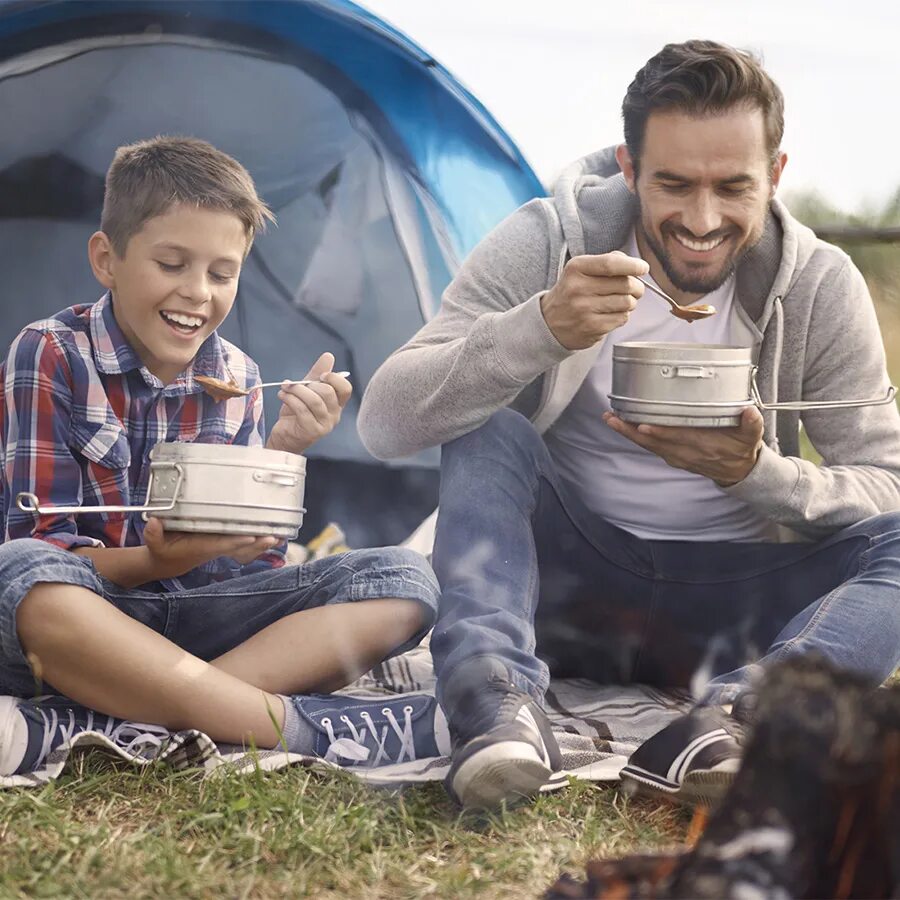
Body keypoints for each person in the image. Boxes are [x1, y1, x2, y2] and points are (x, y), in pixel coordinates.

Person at [357, 40, 900, 809]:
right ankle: (495, 704)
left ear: (775, 174)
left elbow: (888, 485)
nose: (703, 220)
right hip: (565, 593)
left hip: (731, 610)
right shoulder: (548, 242)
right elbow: (384, 423)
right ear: (629, 167)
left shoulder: (816, 282)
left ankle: (742, 719)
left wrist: (756, 475)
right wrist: (540, 327)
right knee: (489, 430)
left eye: (732, 188)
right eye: (673, 184)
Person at [0, 137, 448, 778]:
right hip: (83, 625)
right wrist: (158, 559)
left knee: (404, 581)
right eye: (172, 264)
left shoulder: (236, 377)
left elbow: (247, 573)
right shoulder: (49, 355)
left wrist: (282, 454)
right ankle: (295, 729)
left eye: (221, 272)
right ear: (108, 259)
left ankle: (115, 728)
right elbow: (40, 546)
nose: (197, 293)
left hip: (194, 622)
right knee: (22, 575)